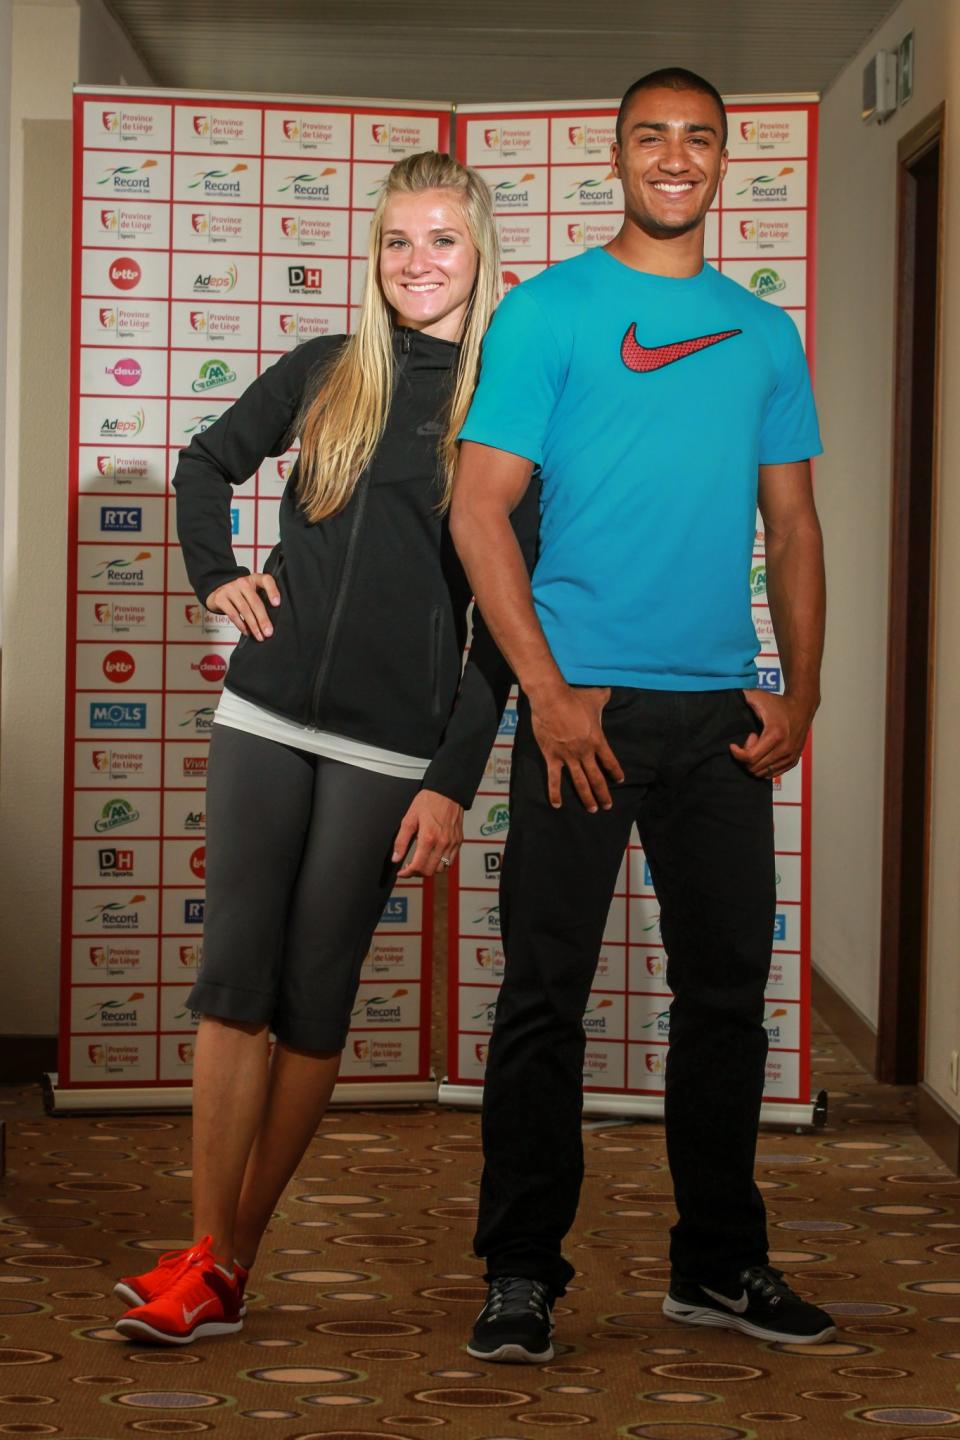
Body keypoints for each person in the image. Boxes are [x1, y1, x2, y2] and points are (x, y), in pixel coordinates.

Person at [112, 150, 533, 1345]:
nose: (418, 263)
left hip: (387, 750)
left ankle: (228, 1258)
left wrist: (452, 782)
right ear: (376, 251)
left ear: (479, 251)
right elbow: (203, 465)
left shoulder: (504, 407)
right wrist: (217, 575)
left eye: (442, 241)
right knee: (231, 983)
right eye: (399, 241)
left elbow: (508, 626)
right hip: (264, 713)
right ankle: (205, 1255)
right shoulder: (325, 371)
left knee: (311, 1002)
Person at [450, 68, 833, 1360]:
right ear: (615, 155)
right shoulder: (551, 312)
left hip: (720, 716)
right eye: (652, 138)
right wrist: (548, 694)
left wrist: (804, 687)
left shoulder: (763, 333)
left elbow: (793, 525)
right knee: (544, 999)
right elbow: (477, 509)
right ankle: (520, 1273)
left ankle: (719, 1264)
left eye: (701, 141)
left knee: (725, 1001)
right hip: (584, 710)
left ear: (727, 163)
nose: (676, 159)